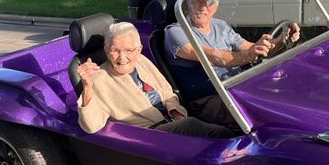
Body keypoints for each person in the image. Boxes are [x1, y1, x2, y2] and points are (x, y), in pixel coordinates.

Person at [164, 0, 300, 128]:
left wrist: (281, 40)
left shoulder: (220, 25)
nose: (202, 7)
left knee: (286, 95)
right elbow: (212, 57)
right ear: (188, 2)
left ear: (216, 5)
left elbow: (250, 48)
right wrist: (250, 54)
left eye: (208, 2)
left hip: (236, 88)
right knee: (262, 114)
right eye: (197, 0)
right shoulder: (176, 32)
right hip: (208, 100)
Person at [76, 22, 234, 138]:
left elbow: (166, 90)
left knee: (229, 114)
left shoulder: (141, 60)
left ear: (139, 49)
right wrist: (88, 87)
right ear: (106, 50)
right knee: (195, 126)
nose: (122, 57)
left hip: (173, 121)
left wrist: (176, 113)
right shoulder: (99, 78)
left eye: (128, 50)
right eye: (115, 50)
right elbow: (91, 126)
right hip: (148, 136)